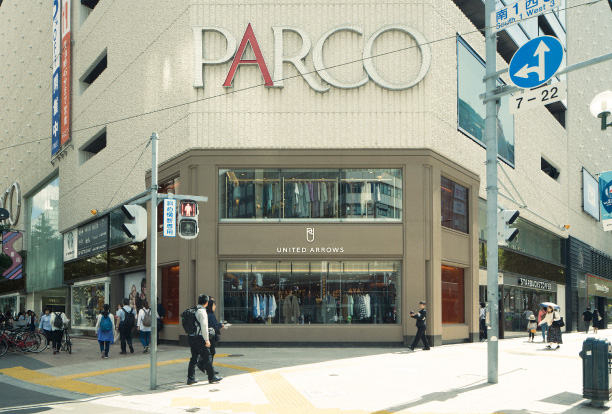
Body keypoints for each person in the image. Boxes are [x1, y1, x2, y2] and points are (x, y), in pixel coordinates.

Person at [187, 294, 222, 385]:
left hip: (192, 337)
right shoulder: (202, 312)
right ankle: (212, 377)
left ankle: (190, 378)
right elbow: (204, 327)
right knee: (207, 356)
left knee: (194, 358)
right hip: (200, 337)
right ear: (206, 303)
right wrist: (207, 339)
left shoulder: (194, 310)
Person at [206, 299, 224, 369]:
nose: (215, 307)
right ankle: (208, 367)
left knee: (209, 352)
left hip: (208, 335)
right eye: (214, 305)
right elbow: (214, 326)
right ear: (210, 306)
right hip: (211, 336)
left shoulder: (207, 313)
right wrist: (220, 325)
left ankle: (206, 366)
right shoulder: (210, 315)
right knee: (211, 352)